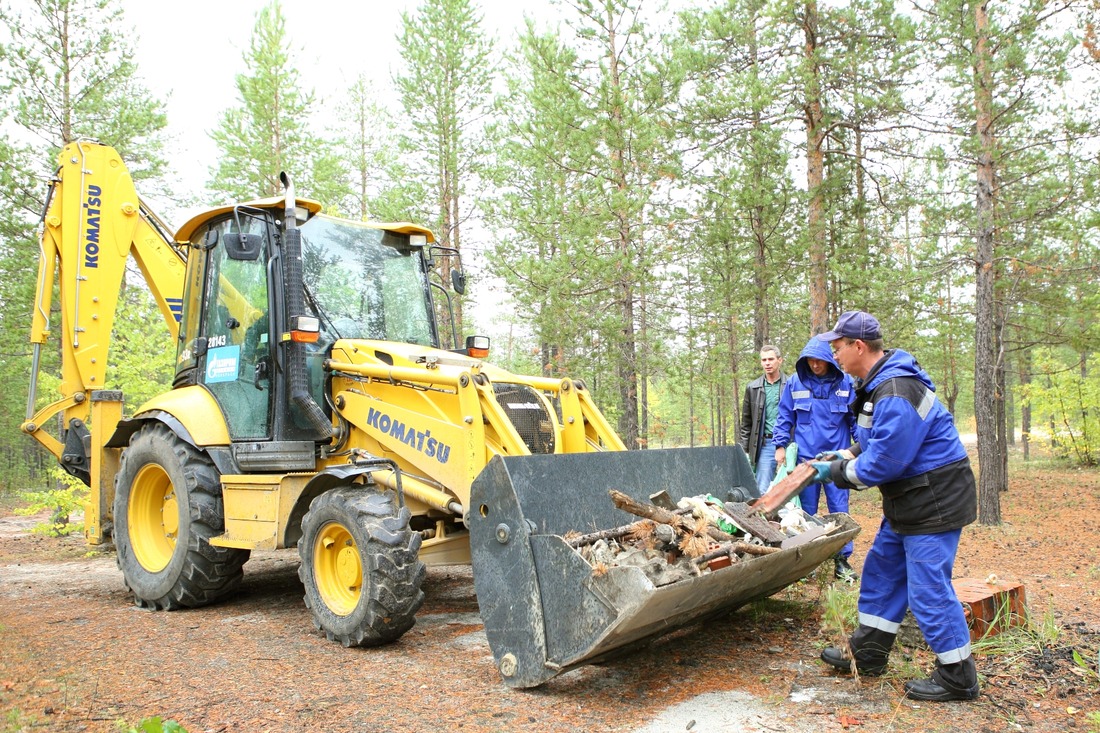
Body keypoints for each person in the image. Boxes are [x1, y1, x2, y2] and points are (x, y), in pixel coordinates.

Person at [810, 311, 979, 702]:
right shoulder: (876, 384)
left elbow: (885, 462)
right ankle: (869, 654)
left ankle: (958, 677)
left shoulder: (897, 389)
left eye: (838, 345)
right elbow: (876, 441)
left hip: (932, 499)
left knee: (928, 591)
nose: (833, 351)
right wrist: (843, 452)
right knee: (882, 572)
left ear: (858, 346)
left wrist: (834, 472)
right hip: (909, 498)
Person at [772, 336, 857, 582]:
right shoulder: (795, 383)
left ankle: (842, 560)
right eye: (809, 361)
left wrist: (860, 450)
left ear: (829, 360)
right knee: (804, 512)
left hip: (836, 461)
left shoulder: (846, 384)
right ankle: (805, 564)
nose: (815, 365)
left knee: (839, 510)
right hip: (805, 460)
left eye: (819, 361)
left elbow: (854, 422)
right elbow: (784, 416)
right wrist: (780, 445)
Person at [739, 345, 786, 496]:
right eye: (764, 360)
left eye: (771, 359)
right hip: (765, 444)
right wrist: (745, 451)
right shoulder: (753, 388)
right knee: (763, 491)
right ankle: (763, 520)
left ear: (780, 361)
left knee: (789, 490)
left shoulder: (791, 385)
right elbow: (746, 424)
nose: (767, 363)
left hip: (788, 443)